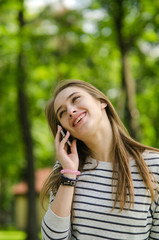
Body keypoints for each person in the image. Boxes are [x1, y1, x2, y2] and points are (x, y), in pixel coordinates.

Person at [41, 79, 159, 240]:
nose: (70, 111)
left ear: (101, 102)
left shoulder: (154, 166)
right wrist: (69, 175)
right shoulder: (65, 170)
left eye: (76, 99)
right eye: (62, 113)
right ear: (64, 131)